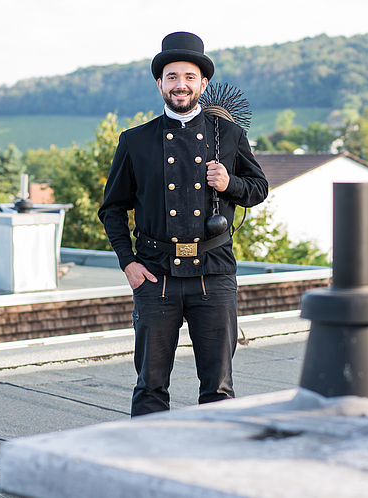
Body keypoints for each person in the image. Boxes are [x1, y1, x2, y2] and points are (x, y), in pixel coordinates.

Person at [98, 32, 269, 417]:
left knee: (218, 388)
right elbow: (111, 209)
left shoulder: (228, 134)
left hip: (214, 273)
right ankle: (148, 467)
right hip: (155, 274)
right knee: (150, 386)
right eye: (172, 77)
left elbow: (259, 188)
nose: (181, 85)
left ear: (203, 83)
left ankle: (211, 467)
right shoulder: (135, 141)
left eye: (189, 77)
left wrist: (231, 184)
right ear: (160, 83)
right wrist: (129, 263)